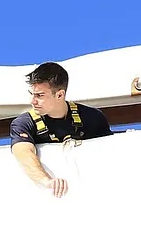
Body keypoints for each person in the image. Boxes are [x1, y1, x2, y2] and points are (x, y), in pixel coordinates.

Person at [9, 61, 112, 199]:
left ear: (59, 95)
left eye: (39, 95)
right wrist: (47, 181)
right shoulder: (23, 124)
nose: (32, 101)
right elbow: (22, 153)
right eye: (32, 94)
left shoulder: (93, 118)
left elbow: (109, 154)